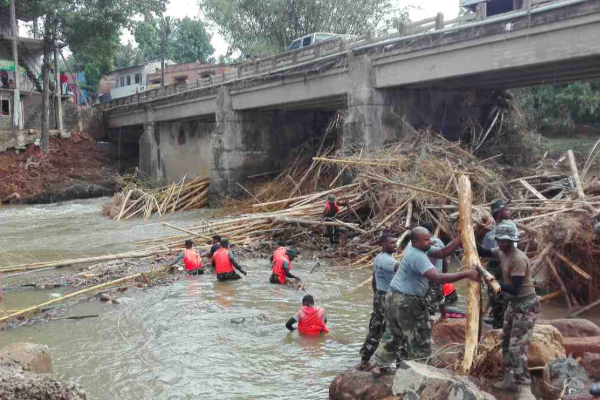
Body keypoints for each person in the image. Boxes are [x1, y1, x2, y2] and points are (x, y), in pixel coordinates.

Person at [370, 227, 479, 375]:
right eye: (426, 239)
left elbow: (442, 253)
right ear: (415, 242)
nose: (430, 241)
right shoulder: (417, 256)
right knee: (420, 335)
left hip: (393, 296)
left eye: (429, 238)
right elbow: (437, 278)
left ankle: (379, 365)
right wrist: (467, 273)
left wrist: (459, 238)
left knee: (393, 332)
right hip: (406, 301)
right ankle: (421, 370)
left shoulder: (419, 249)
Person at [477, 222, 539, 400]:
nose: (503, 243)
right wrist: (469, 235)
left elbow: (515, 289)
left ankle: (525, 387)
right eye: (501, 240)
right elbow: (483, 252)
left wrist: (492, 280)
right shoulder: (501, 252)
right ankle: (509, 378)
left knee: (517, 347)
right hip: (514, 305)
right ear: (497, 239)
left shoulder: (518, 259)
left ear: (513, 241)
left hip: (526, 305)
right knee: (505, 341)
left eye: (507, 241)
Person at [356, 234, 400, 370]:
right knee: (393, 330)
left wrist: (377, 297)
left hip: (380, 295)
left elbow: (374, 281)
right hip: (388, 297)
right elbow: (406, 270)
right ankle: (389, 363)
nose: (395, 245)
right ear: (384, 245)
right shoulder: (388, 261)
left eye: (396, 243)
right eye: (392, 243)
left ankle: (364, 359)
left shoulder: (378, 258)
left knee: (375, 329)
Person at [480, 199, 514, 329]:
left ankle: (501, 324)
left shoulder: (509, 226)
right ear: (499, 212)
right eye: (506, 209)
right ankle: (496, 319)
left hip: (504, 266)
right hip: (492, 266)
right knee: (493, 295)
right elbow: (484, 250)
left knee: (503, 296)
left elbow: (509, 248)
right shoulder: (489, 230)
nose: (509, 211)